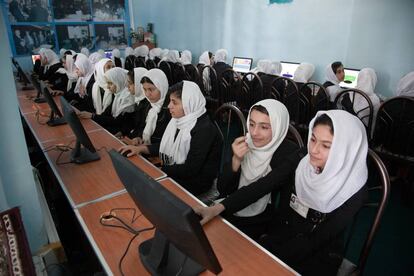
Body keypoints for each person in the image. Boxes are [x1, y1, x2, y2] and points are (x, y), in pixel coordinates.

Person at [194, 99, 301, 240]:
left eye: (264, 127)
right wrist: (236, 160)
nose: (254, 133)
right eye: (251, 124)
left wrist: (217, 209)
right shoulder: (245, 143)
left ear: (278, 127)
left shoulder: (288, 153)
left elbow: (260, 188)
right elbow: (223, 189)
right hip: (231, 207)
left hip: (263, 221)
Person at [119, 81, 222, 196]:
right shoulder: (180, 120)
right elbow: (167, 146)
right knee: (138, 181)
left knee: (143, 188)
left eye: (174, 102)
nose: (169, 106)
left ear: (189, 104)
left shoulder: (205, 129)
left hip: (196, 182)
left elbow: (191, 169)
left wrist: (160, 170)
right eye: (170, 101)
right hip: (178, 171)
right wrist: (140, 149)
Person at [79, 67, 135, 135]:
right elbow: (106, 114)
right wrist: (92, 116)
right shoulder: (117, 95)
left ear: (119, 81)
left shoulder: (128, 98)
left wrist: (93, 116)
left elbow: (117, 121)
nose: (108, 87)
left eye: (110, 83)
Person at [120, 68, 170, 144]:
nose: (147, 94)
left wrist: (144, 148)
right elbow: (142, 127)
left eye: (151, 89)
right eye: (144, 89)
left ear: (161, 87)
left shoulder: (170, 109)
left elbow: (165, 142)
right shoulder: (150, 105)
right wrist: (138, 138)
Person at [125, 67, 151, 142]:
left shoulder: (147, 104)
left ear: (139, 84)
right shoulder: (138, 100)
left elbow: (141, 128)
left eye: (130, 83)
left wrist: (129, 138)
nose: (127, 87)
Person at [354, 68, 381, 136]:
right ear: (373, 80)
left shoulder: (348, 93)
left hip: (350, 127)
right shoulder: (375, 100)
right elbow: (376, 118)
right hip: (364, 132)